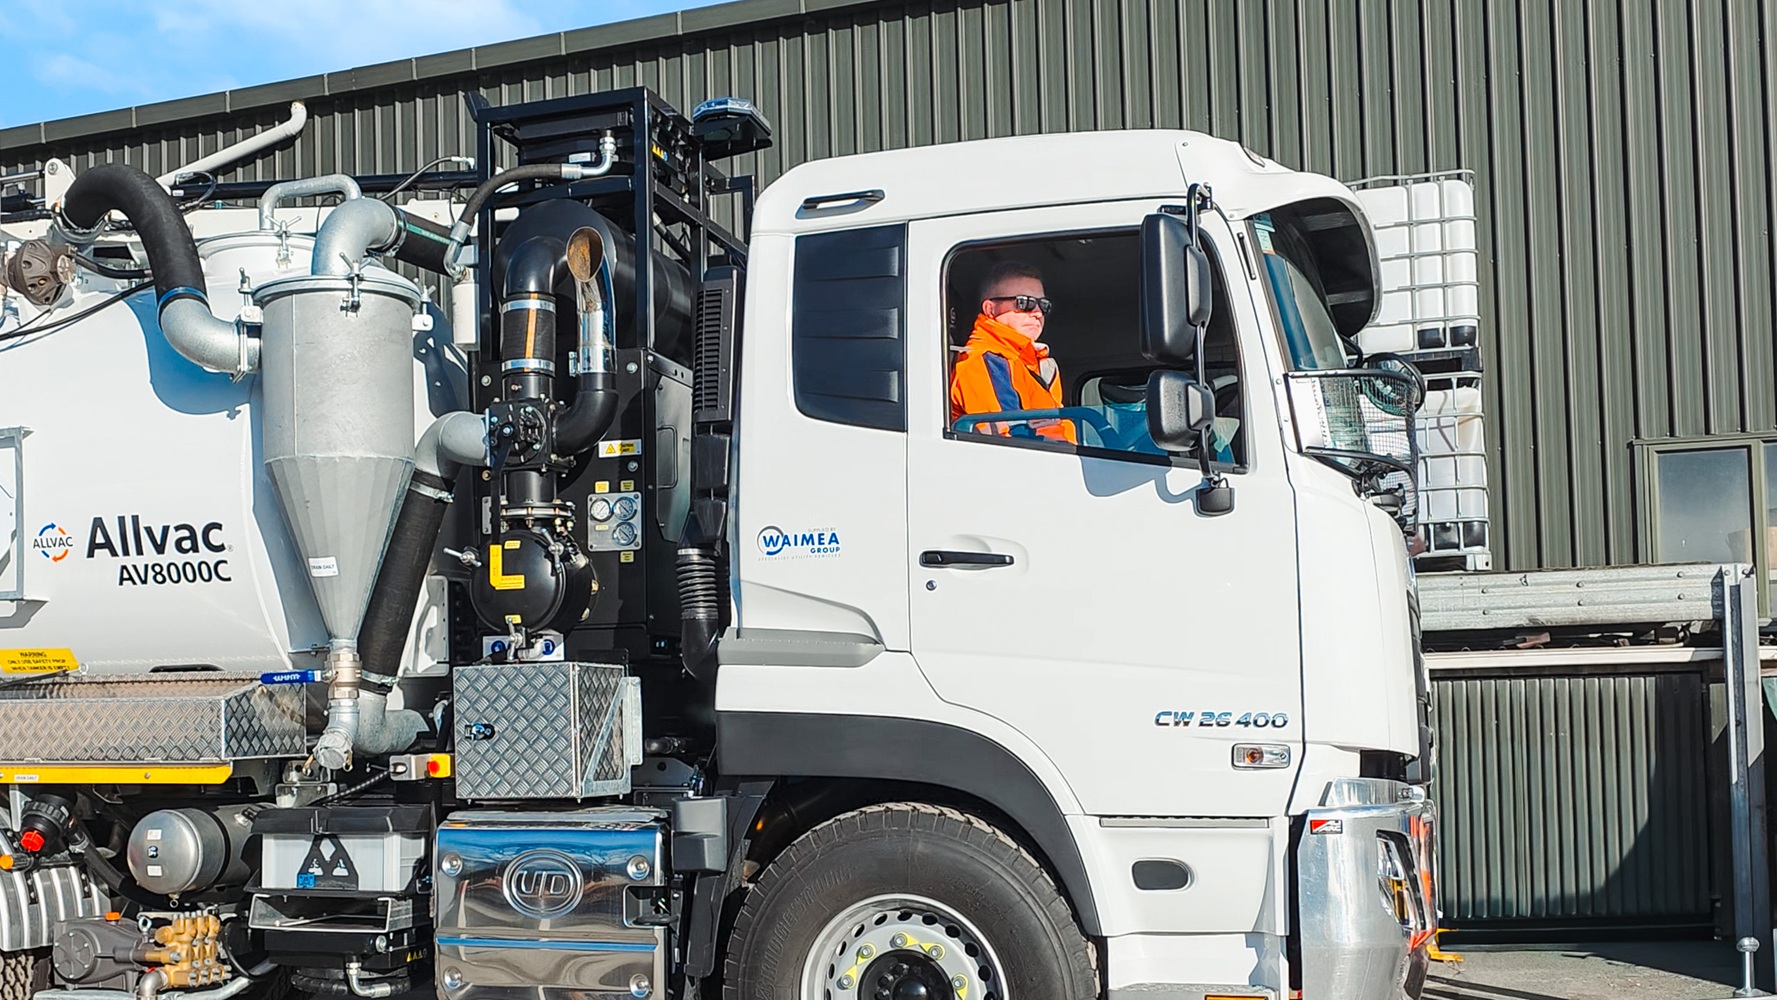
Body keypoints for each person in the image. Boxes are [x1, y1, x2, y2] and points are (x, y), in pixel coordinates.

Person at [948, 260, 1076, 443]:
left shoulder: (1037, 365)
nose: (1037, 313)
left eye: (1043, 305)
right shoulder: (983, 362)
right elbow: (1009, 440)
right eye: (1024, 303)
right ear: (990, 309)